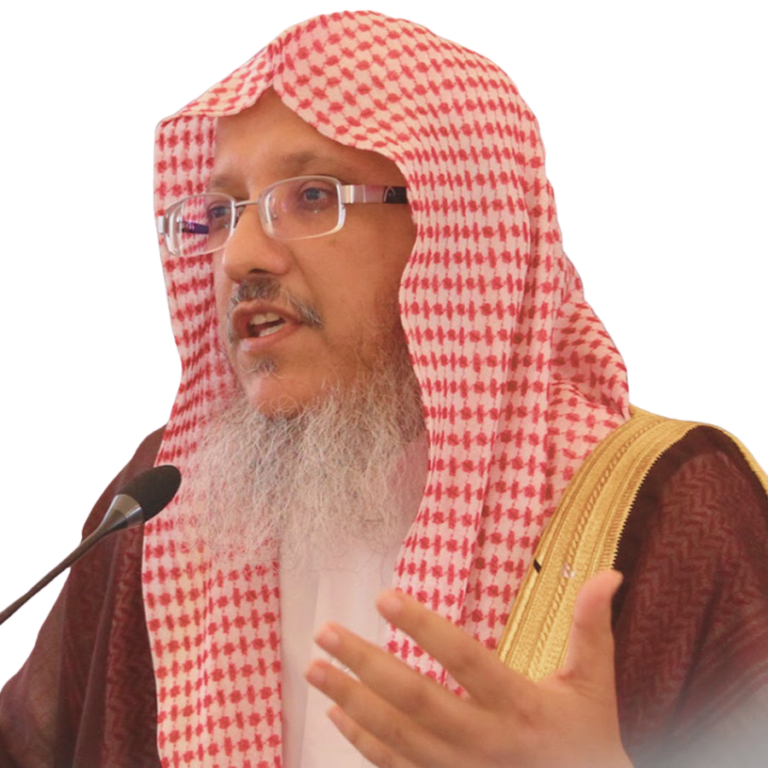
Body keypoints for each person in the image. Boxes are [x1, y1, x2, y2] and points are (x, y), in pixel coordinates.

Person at [2, 10, 766, 767]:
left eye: (312, 196)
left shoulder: (671, 504)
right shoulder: (167, 500)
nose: (240, 256)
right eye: (221, 212)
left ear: (457, 229)